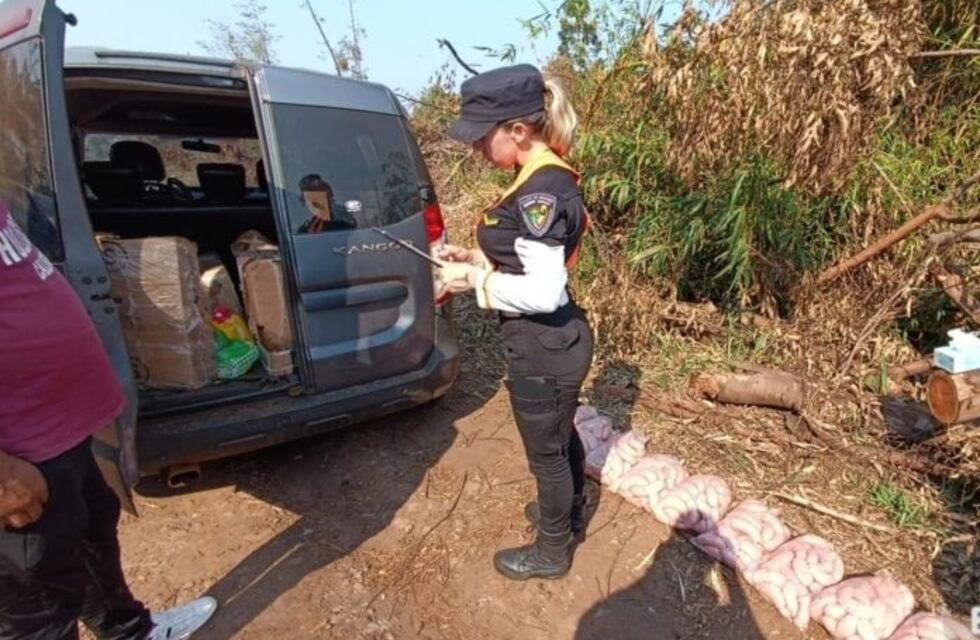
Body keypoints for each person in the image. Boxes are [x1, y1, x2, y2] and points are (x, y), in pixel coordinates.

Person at [0, 205, 216, 639]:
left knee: (93, 526)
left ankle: (128, 630)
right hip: (22, 455)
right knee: (39, 606)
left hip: (57, 427)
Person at [437, 64, 594, 581]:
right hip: (556, 339)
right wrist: (477, 259)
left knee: (546, 454)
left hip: (543, 344)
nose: (476, 149)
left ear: (519, 130)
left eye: (482, 137)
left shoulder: (539, 193)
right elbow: (529, 263)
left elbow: (542, 292)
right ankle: (567, 512)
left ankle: (551, 551)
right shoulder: (542, 179)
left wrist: (472, 281)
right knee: (560, 435)